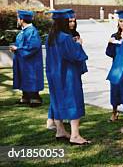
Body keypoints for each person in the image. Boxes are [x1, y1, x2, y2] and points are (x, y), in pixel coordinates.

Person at [45, 9, 91, 145]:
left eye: (73, 21)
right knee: (74, 101)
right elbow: (75, 56)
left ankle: (60, 131)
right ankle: (75, 135)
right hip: (67, 74)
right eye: (69, 21)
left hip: (54, 73)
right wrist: (78, 44)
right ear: (62, 22)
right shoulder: (65, 38)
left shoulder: (51, 37)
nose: (72, 23)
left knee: (57, 100)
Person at [11, 10, 44, 107]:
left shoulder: (32, 31)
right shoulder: (25, 31)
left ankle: (35, 98)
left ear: (22, 20)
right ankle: (25, 97)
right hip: (24, 61)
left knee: (31, 78)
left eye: (18, 18)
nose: (17, 20)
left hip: (31, 62)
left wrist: (18, 48)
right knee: (23, 77)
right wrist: (16, 48)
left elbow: (33, 46)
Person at [105, 10, 123, 122]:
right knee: (115, 90)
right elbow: (109, 53)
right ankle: (114, 112)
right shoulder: (115, 36)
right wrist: (110, 43)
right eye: (121, 21)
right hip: (116, 67)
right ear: (118, 22)